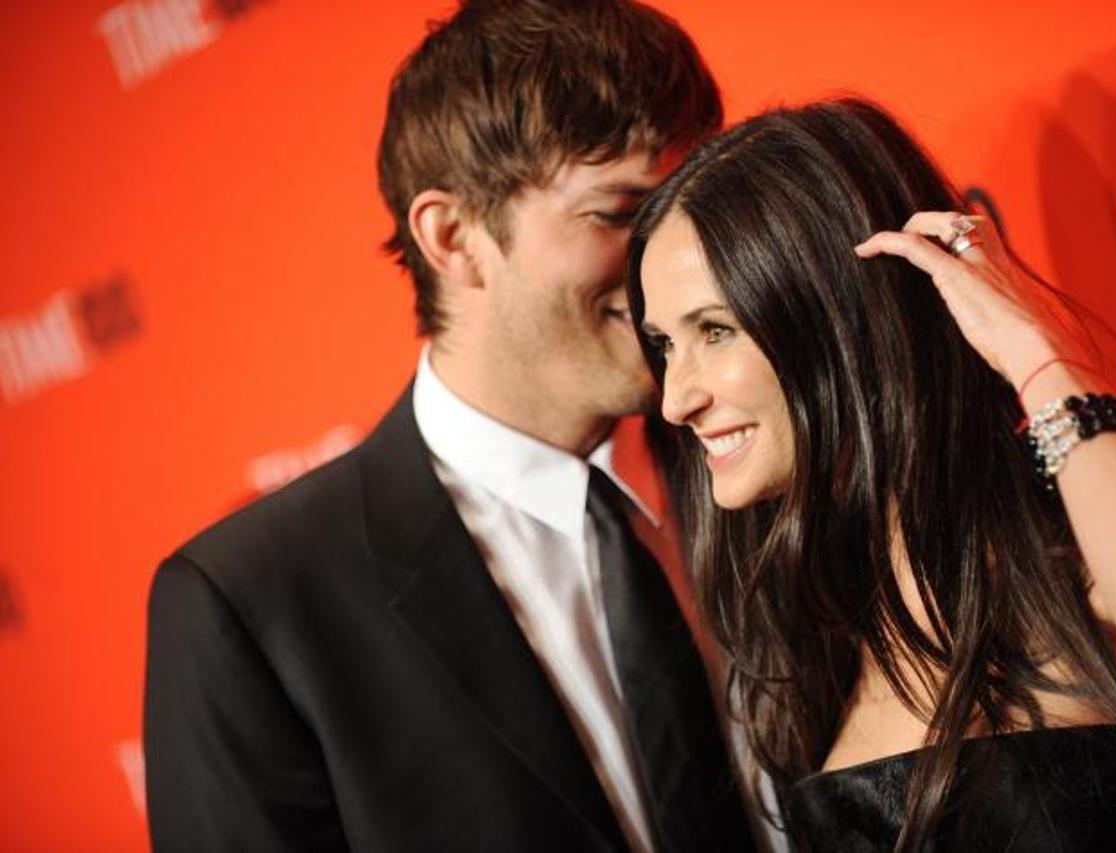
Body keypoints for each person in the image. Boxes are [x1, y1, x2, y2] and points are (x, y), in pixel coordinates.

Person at [143, 2, 759, 850]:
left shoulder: (770, 457)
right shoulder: (255, 607)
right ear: (454, 236)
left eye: (687, 209)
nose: (677, 261)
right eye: (619, 213)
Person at [626, 97, 1116, 851]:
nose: (676, 399)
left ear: (845, 321)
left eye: (715, 330)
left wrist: (1032, 345)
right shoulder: (816, 648)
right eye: (664, 345)